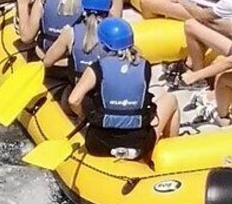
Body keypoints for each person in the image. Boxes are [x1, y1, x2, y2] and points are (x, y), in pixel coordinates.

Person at [68, 18, 180, 160]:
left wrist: (83, 116)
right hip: (138, 142)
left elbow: (73, 100)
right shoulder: (145, 66)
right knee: (171, 100)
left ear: (103, 44)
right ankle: (165, 155)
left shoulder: (96, 69)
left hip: (99, 144)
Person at [42, 0, 130, 77]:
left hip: (77, 86)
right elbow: (116, 18)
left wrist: (70, 61)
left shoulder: (70, 33)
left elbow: (47, 62)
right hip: (103, 90)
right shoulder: (117, 35)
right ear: (108, 7)